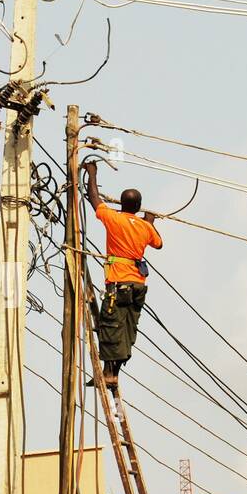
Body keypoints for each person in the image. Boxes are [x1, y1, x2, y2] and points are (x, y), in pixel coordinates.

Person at [86, 161, 162, 389]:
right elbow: (158, 244)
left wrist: (92, 173)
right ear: (138, 206)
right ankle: (113, 373)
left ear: (122, 203)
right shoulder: (145, 226)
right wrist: (149, 220)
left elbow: (94, 200)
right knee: (128, 327)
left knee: (111, 326)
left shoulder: (114, 218)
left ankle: (109, 373)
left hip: (119, 284)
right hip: (138, 286)